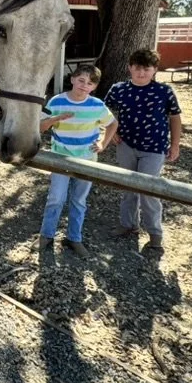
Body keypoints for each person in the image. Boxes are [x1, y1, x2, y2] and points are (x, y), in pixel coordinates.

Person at [104, 48, 182, 252]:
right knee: (128, 186)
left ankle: (155, 232)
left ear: (154, 70)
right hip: (126, 145)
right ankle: (128, 224)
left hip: (154, 148)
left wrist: (175, 144)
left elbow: (175, 117)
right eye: (137, 68)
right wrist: (111, 133)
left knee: (149, 189)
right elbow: (105, 111)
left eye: (146, 69)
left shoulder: (164, 92)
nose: (141, 73)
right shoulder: (118, 89)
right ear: (130, 68)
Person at [38, 65, 117, 258]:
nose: (84, 85)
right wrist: (54, 119)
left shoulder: (97, 105)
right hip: (60, 158)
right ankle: (46, 235)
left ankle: (74, 238)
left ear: (94, 87)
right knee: (56, 198)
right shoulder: (56, 101)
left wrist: (102, 142)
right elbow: (40, 127)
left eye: (89, 83)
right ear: (72, 79)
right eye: (81, 80)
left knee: (79, 200)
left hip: (87, 160)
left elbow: (112, 123)